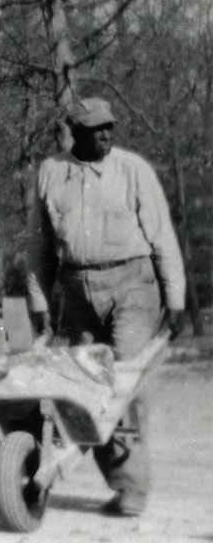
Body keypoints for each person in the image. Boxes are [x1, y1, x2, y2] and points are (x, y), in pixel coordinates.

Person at [26, 96, 190, 518]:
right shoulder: (51, 173)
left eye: (109, 128)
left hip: (133, 284)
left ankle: (132, 488)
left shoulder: (133, 171)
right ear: (74, 132)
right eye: (95, 129)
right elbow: (40, 245)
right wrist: (39, 300)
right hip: (77, 288)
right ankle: (114, 480)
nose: (105, 135)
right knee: (89, 386)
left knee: (124, 386)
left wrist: (175, 299)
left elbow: (162, 238)